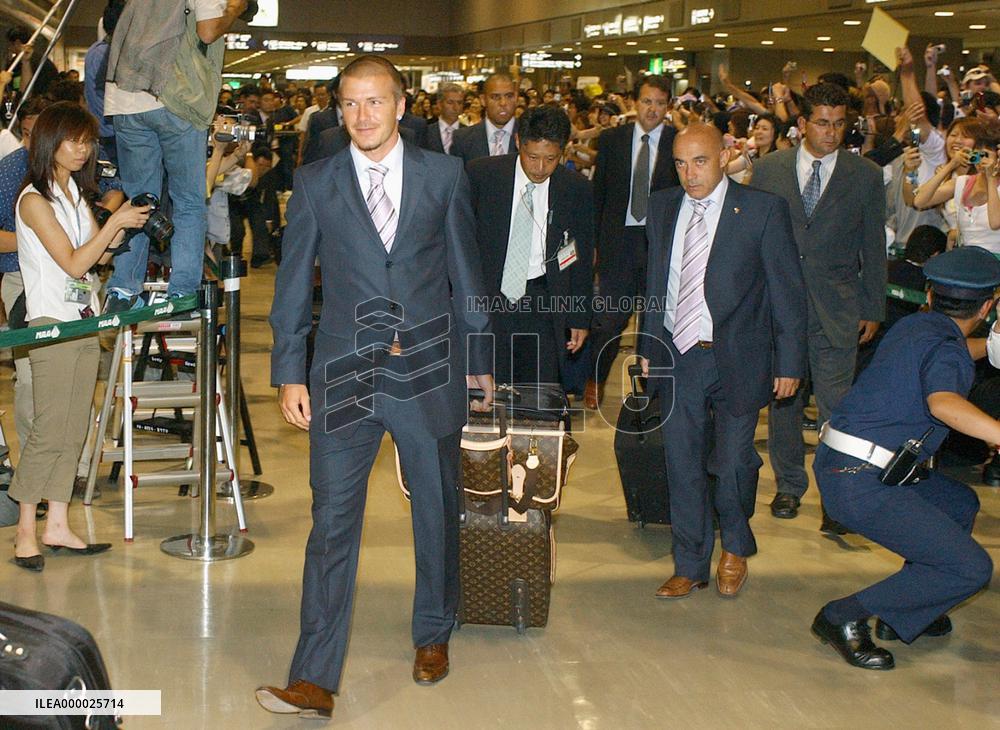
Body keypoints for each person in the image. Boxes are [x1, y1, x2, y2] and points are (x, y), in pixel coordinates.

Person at [257, 56, 493, 719]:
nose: (362, 115)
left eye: (375, 102)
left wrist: (478, 357)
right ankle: (313, 676)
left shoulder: (443, 176)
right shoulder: (314, 181)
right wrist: (288, 371)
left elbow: (467, 272)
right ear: (338, 109)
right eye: (350, 104)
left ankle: (433, 632)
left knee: (436, 508)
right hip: (342, 376)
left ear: (401, 104)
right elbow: (292, 279)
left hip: (426, 370)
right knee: (331, 523)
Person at [637, 123, 807, 598]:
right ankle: (690, 562)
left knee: (733, 462)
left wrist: (789, 362)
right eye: (680, 163)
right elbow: (655, 285)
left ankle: (734, 544)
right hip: (678, 352)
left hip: (738, 356)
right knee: (682, 463)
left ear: (725, 155)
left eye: (700, 161)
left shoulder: (761, 210)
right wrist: (649, 348)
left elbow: (787, 293)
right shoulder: (663, 206)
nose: (689, 174)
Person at [811, 246, 996, 670]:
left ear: (930, 295)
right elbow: (944, 403)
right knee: (971, 569)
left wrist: (988, 346)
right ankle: (840, 617)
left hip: (848, 464)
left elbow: (946, 354)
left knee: (958, 503)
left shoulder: (916, 327)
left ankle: (908, 610)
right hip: (862, 481)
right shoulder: (943, 347)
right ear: (988, 305)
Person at [9, 102, 149, 572]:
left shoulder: (71, 192)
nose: (82, 149)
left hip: (83, 320)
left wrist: (122, 223)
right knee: (50, 428)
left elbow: (98, 259)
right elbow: (72, 263)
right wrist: (112, 224)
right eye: (73, 140)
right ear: (50, 141)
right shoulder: (34, 199)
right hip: (50, 325)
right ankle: (27, 530)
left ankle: (58, 524)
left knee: (74, 428)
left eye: (87, 141)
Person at [751, 83, 886, 528]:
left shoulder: (864, 174)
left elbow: (873, 245)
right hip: (780, 310)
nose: (832, 133)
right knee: (785, 406)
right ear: (803, 124)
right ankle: (789, 487)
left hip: (840, 310)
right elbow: (755, 240)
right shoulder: (770, 170)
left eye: (839, 123)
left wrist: (873, 307)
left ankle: (837, 500)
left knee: (837, 410)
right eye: (823, 123)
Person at [101, 0, 248, 312]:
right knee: (189, 201)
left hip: (126, 98)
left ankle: (124, 288)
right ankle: (181, 294)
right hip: (175, 98)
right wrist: (233, 10)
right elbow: (207, 31)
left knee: (140, 199)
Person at [467, 104, 594, 384]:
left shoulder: (576, 189)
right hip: (490, 299)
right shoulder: (482, 176)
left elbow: (581, 259)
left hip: (543, 301)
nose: (540, 168)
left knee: (538, 391)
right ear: (517, 143)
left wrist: (579, 317)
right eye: (532, 156)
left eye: (550, 159)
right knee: (488, 388)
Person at [586, 75, 679, 410]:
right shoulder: (612, 140)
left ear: (667, 107)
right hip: (617, 242)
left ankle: (645, 386)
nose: (652, 109)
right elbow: (599, 194)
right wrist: (593, 242)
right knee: (610, 320)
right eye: (646, 101)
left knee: (653, 321)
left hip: (659, 244)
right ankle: (595, 378)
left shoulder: (677, 142)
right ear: (634, 103)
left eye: (659, 103)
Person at [0, 97, 48, 449]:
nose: (32, 143)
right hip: (21, 282)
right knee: (31, 379)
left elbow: (114, 192)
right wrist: (41, 237)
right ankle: (35, 467)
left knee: (72, 379)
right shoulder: (10, 170)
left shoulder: (79, 164)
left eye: (39, 134)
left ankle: (74, 466)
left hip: (71, 282)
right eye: (26, 134)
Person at [450, 73, 518, 165]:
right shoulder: (463, 139)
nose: (503, 103)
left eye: (509, 96)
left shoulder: (531, 135)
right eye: (495, 97)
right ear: (483, 100)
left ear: (516, 98)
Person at [5, 26, 59, 99]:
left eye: (10, 44)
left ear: (17, 43)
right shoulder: (14, 62)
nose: (9, 48)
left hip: (35, 104)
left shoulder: (41, 63)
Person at [426, 83, 465, 155]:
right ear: (439, 104)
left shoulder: (469, 134)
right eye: (450, 102)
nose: (455, 107)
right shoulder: (425, 132)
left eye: (459, 103)